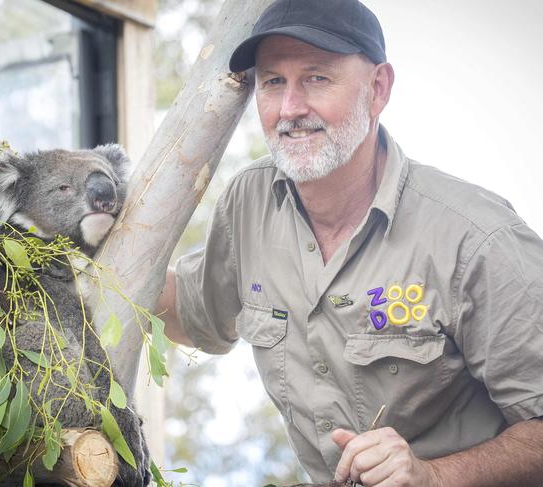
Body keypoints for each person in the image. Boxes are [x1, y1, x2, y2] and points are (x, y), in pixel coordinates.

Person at [157, 0, 543, 485]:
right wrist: (77, 262)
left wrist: (432, 476)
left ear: (378, 89)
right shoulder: (248, 202)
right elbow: (197, 316)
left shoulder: (477, 239)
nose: (290, 109)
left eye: (317, 78)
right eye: (273, 81)